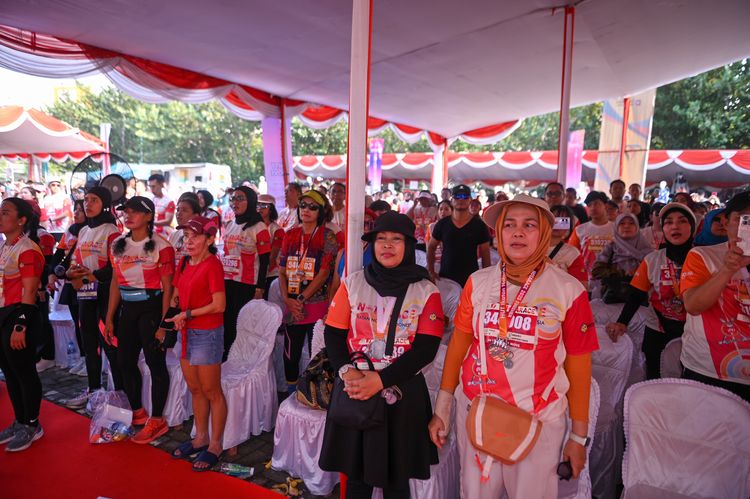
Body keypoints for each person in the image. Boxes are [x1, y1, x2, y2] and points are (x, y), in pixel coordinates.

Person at [429, 194, 598, 498]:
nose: (517, 232)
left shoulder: (568, 290)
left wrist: (578, 437)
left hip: (539, 420)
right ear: (499, 233)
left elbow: (579, 366)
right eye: (509, 225)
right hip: (478, 411)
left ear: (544, 233)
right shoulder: (478, 282)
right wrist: (443, 408)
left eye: (529, 225)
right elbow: (458, 346)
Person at [320, 211, 445, 498]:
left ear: (409, 246)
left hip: (402, 391)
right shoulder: (353, 283)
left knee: (397, 481)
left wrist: (381, 380)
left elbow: (426, 349)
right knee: (356, 478)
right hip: (355, 388)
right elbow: (334, 334)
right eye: (381, 239)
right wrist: (346, 372)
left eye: (396, 239)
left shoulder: (426, 290)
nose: (387, 245)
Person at [105, 196, 175, 443]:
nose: (129, 215)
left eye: (135, 211)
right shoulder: (118, 244)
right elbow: (115, 282)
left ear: (148, 216)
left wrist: (164, 324)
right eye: (126, 211)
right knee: (124, 361)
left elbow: (168, 288)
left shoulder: (161, 246)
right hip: (128, 309)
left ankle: (157, 420)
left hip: (152, 309)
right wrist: (110, 317)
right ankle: (137, 411)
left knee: (156, 363)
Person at [606, 203, 695, 378]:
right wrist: (622, 322)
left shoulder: (702, 258)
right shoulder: (652, 259)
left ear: (692, 227)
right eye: (668, 222)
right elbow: (636, 294)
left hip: (694, 331)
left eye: (682, 221)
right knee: (654, 377)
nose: (675, 226)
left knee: (688, 380)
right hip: (657, 329)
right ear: (663, 228)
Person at [167, 216, 228, 471]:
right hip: (186, 331)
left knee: (212, 390)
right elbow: (176, 295)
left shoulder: (213, 265)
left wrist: (187, 314)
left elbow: (219, 305)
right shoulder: (184, 262)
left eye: (195, 236)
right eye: (186, 236)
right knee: (195, 388)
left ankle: (216, 444)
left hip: (207, 333)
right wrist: (176, 314)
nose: (189, 241)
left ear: (210, 239)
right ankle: (200, 437)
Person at [680, 192, 750, 401]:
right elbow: (693, 305)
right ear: (725, 222)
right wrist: (727, 270)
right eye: (743, 219)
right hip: (709, 369)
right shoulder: (702, 256)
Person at [64, 187, 124, 409]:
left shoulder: (112, 231)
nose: (88, 204)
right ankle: (93, 390)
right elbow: (76, 262)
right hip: (85, 294)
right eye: (86, 200)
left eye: (94, 200)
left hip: (106, 296)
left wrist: (92, 275)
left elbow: (115, 270)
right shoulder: (83, 231)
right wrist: (72, 273)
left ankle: (119, 395)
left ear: (105, 204)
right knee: (89, 345)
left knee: (110, 346)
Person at [278, 190, 337, 393]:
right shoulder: (290, 235)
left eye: (313, 207)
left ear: (321, 212)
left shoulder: (328, 236)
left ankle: (315, 396)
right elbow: (282, 271)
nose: (306, 210)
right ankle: (290, 395)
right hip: (292, 305)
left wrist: (300, 299)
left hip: (316, 305)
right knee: (290, 355)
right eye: (303, 205)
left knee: (317, 354)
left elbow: (324, 273)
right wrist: (287, 299)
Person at [0, 198, 46, 452]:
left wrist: (21, 325)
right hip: (3, 313)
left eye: (5, 212)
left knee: (24, 371)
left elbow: (29, 291)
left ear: (21, 220)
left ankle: (32, 424)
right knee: (9, 371)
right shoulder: (4, 245)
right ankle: (19, 420)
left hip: (20, 315)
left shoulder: (28, 248)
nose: (0, 215)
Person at [221, 186, 270, 360]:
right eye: (233, 199)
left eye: (240, 198)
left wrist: (260, 287)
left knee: (243, 326)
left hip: (248, 284)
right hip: (228, 282)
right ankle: (227, 359)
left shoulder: (259, 227)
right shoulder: (230, 225)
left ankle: (242, 360)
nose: (235, 202)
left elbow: (265, 260)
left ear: (250, 201)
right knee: (228, 323)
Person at [49, 199, 87, 376]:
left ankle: (93, 360)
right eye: (76, 209)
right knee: (76, 322)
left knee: (87, 324)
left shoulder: (93, 231)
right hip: (70, 284)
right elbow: (58, 255)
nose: (77, 213)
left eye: (81, 210)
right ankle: (83, 357)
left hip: (87, 283)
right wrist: (52, 273)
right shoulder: (70, 232)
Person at [427, 184, 491, 287]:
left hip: (471, 279)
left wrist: (486, 277)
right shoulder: (442, 224)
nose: (461, 199)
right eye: (457, 196)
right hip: (445, 278)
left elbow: (485, 254)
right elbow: (431, 247)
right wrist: (431, 271)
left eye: (465, 196)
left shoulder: (480, 225)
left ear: (470, 200)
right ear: (452, 200)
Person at [592, 213, 653, 302]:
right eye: (622, 223)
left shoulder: (647, 250)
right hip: (612, 298)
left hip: (640, 300)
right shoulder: (611, 247)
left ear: (637, 227)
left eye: (631, 223)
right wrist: (620, 273)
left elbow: (654, 272)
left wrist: (637, 273)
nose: (626, 226)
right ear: (616, 227)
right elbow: (596, 271)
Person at [569, 191, 614, 281]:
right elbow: (572, 254)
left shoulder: (616, 229)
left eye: (597, 203)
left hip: (611, 278)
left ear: (605, 206)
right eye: (589, 205)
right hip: (586, 279)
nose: (593, 207)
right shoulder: (579, 230)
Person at [548, 205, 588, 285]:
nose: (558, 223)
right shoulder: (530, 247)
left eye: (563, 220)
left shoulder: (572, 253)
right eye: (555, 219)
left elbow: (581, 284)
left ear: (568, 227)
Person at [257, 194, 285, 298]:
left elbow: (272, 257)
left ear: (271, 209)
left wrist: (261, 274)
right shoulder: (252, 227)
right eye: (257, 205)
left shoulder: (277, 230)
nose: (260, 208)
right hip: (254, 273)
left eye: (264, 206)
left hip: (270, 274)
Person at [169, 195, 202, 266]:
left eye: (184, 210)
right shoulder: (174, 234)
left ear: (196, 216)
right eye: (178, 210)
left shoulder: (203, 236)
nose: (179, 213)